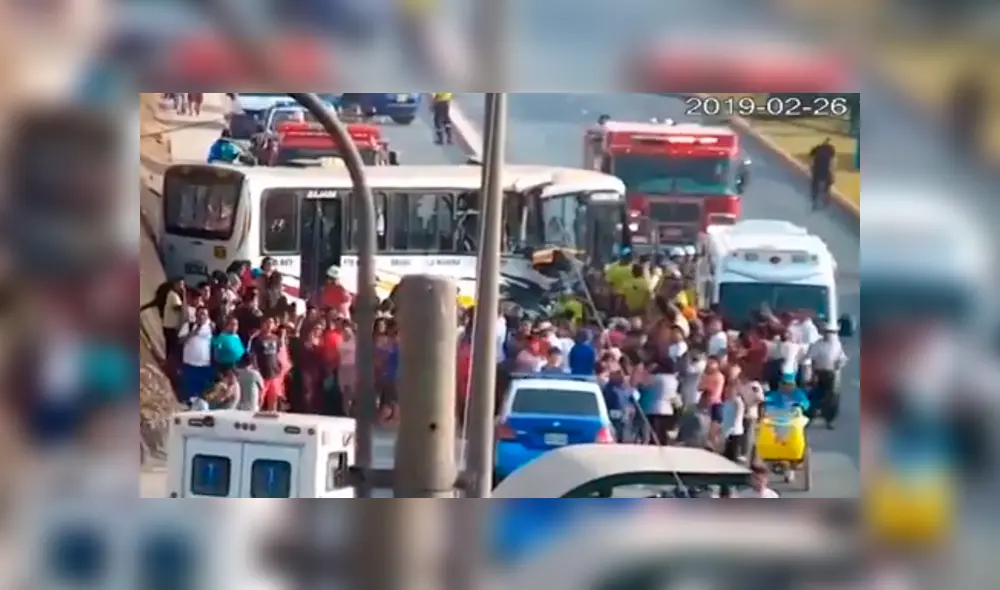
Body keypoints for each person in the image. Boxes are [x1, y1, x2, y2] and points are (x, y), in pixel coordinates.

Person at [806, 323, 848, 428]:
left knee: (831, 398)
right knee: (814, 396)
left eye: (832, 332)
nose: (830, 334)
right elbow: (811, 359)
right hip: (818, 372)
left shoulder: (836, 345)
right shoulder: (818, 344)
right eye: (828, 332)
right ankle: (809, 417)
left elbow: (842, 357)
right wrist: (812, 375)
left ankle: (828, 420)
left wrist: (839, 364)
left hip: (830, 373)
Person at [177, 306, 215, 403]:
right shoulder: (188, 325)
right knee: (189, 394)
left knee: (203, 395)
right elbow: (180, 341)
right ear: (196, 315)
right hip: (190, 364)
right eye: (200, 314)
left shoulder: (211, 327)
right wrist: (193, 332)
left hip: (204, 365)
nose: (202, 317)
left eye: (204, 315)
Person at [808, 137, 836, 208]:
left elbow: (811, 159)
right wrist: (832, 174)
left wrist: (811, 168)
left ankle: (814, 202)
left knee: (815, 186)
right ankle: (826, 202)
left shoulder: (817, 149)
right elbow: (832, 163)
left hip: (817, 169)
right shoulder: (831, 150)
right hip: (826, 170)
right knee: (827, 187)